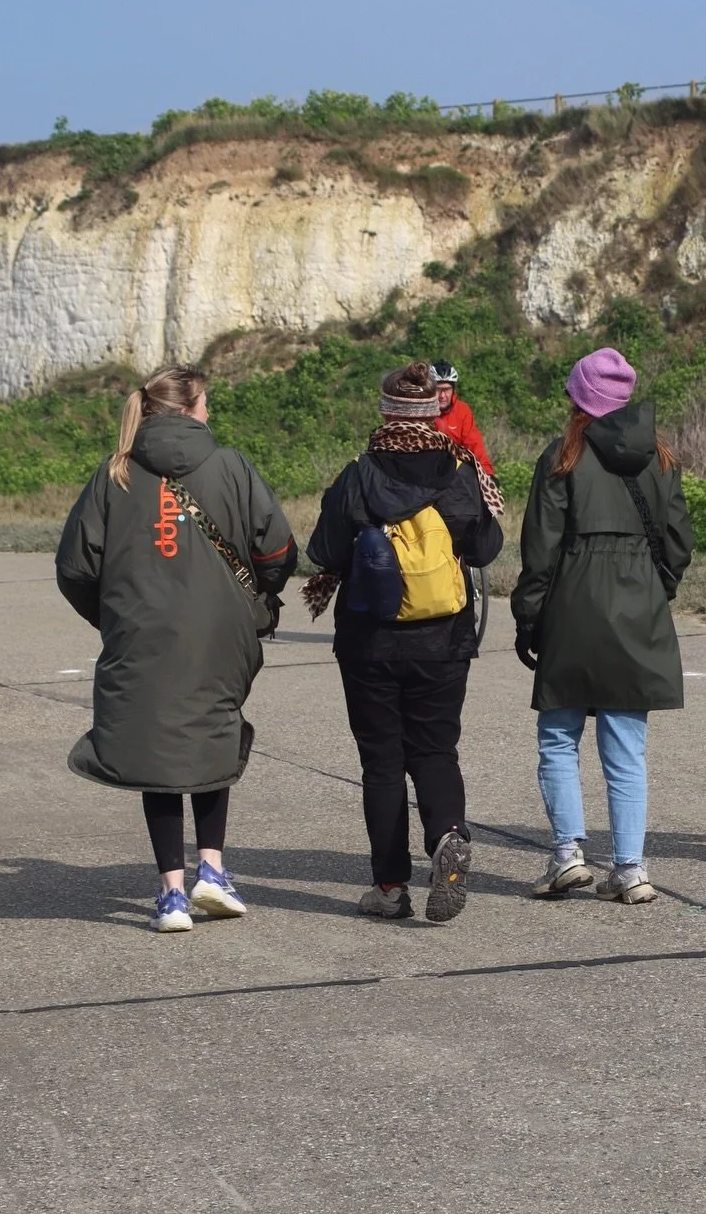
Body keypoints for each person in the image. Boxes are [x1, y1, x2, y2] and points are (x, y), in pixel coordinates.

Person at [56, 364, 297, 931]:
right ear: (190, 408)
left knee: (155, 751)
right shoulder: (230, 465)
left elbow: (74, 567)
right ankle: (211, 871)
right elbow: (278, 549)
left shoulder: (114, 473)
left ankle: (170, 895)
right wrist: (256, 596)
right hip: (220, 630)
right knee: (212, 733)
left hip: (139, 632)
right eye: (207, 402)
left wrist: (112, 615)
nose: (210, 411)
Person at [307, 361, 505, 922]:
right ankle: (447, 836)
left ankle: (390, 887)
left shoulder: (358, 474)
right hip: (443, 638)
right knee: (436, 752)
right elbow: (486, 548)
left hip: (370, 641)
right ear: (433, 411)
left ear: (386, 412)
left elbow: (323, 551)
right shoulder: (460, 470)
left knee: (382, 764)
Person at [512, 347, 694, 904]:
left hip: (572, 605)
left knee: (559, 737)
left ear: (578, 399)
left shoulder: (562, 457)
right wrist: (650, 592)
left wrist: (529, 617)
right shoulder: (661, 459)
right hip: (638, 608)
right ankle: (630, 868)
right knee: (626, 748)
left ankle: (568, 854)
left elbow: (540, 549)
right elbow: (679, 545)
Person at [431, 360, 495, 474]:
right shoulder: (420, 410)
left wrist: (488, 474)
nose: (442, 396)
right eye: (438, 389)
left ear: (453, 390)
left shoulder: (462, 411)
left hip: (454, 471)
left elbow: (475, 445)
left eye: (446, 390)